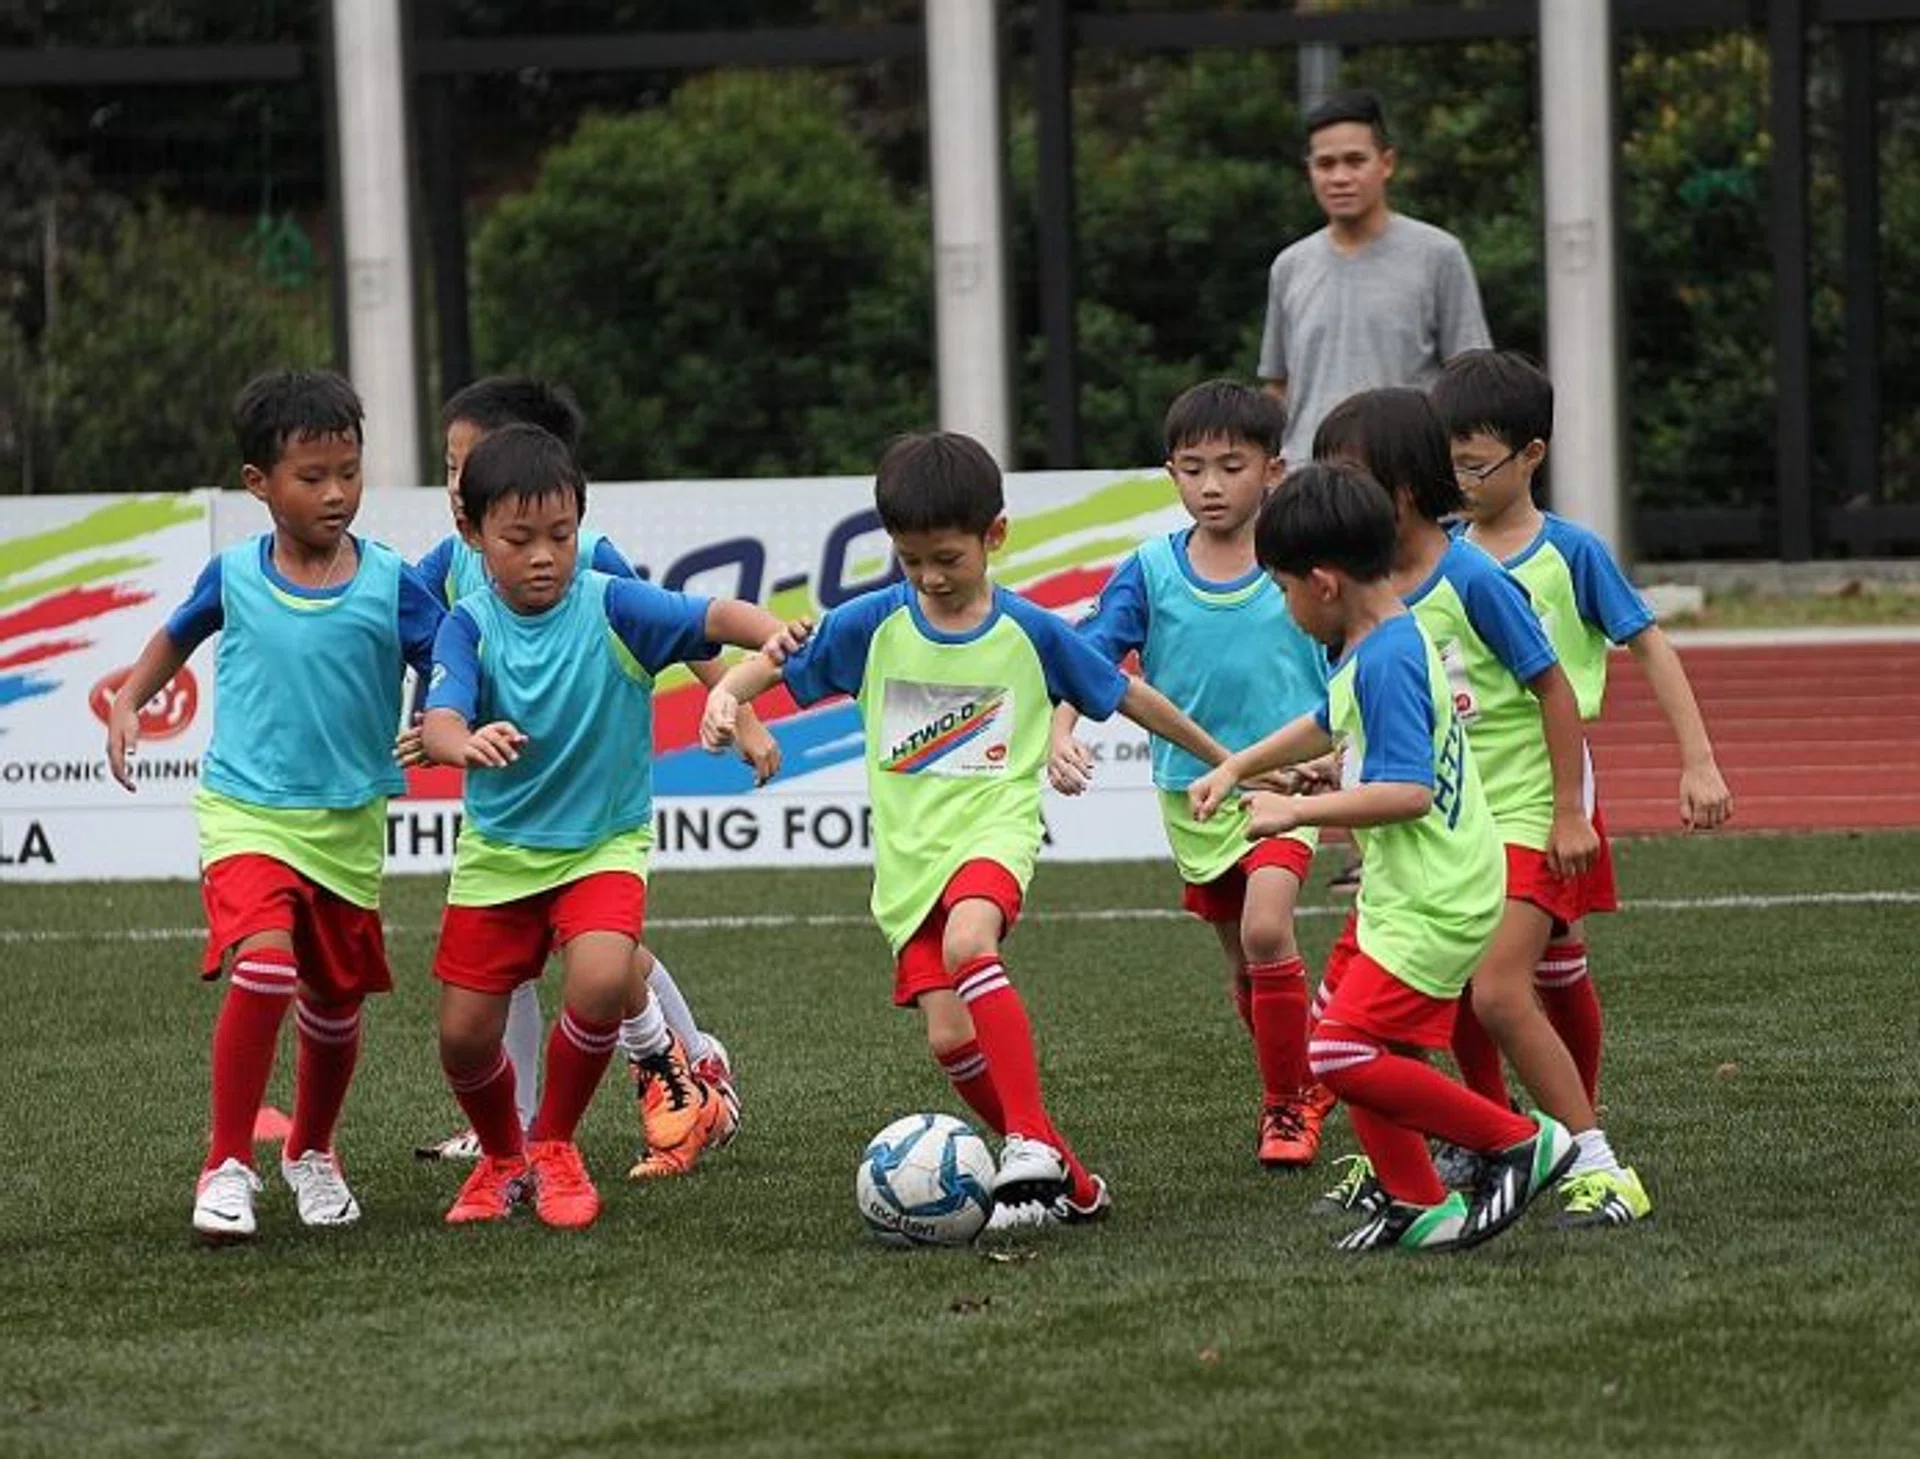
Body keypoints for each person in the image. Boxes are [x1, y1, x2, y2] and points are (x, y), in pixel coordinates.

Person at [700, 432, 1231, 1231]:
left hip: (994, 832)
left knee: (969, 941)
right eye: (911, 559)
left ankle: (1026, 1139)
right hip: (909, 863)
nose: (930, 576)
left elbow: (1127, 695)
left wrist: (1228, 761)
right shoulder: (875, 621)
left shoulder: (1030, 630)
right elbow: (775, 662)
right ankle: (1070, 1178)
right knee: (951, 1037)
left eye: (947, 557)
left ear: (995, 535)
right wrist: (727, 696)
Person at [1188, 463, 1574, 1252]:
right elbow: (1329, 719)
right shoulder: (1377, 637)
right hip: (1409, 887)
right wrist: (1239, 765)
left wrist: (1295, 810)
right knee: (1352, 1038)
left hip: (1437, 894)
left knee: (1338, 1051)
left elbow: (1408, 793)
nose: (1285, 608)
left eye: (1283, 590)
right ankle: (1419, 1203)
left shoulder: (1390, 655)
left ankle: (1519, 1139)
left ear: (1324, 583)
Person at [421, 424, 793, 1229]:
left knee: (597, 979)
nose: (544, 555)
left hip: (602, 845)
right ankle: (503, 1158)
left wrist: (778, 635)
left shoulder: (613, 601)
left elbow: (711, 614)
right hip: (499, 852)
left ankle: (554, 1144)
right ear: (473, 534)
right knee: (463, 1036)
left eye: (560, 535)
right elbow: (441, 715)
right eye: (520, 539)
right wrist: (462, 742)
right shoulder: (468, 623)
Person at [106, 369, 441, 1242]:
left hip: (349, 822)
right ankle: (225, 1164)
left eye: (349, 472)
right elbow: (177, 632)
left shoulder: (393, 581)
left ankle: (313, 1150)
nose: (336, 493)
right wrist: (130, 699)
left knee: (335, 1003)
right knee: (263, 966)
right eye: (312, 476)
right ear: (259, 482)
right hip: (246, 810)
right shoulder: (235, 575)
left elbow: (448, 658)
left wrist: (448, 718)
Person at [1311, 387, 1651, 1230]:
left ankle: (1597, 1163)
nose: (1332, 498)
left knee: (1499, 991)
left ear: (1401, 488)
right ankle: (1477, 1137)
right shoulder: (1361, 593)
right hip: (1453, 825)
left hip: (1525, 807)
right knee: (1446, 985)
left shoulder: (1471, 577)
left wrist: (1568, 810)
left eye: (1347, 479)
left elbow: (1553, 686)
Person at [1432, 349, 1731, 1222]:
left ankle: (1579, 1130)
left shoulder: (1571, 552)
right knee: (1472, 972)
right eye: (1448, 464)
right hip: (1460, 795)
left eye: (1474, 465)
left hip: (1548, 789)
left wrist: (1698, 759)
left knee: (1530, 975)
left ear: (1532, 454)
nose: (1459, 482)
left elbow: (1650, 646)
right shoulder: (1438, 553)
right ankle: (1491, 1127)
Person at [1048, 380, 1335, 1168]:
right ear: (1170, 472)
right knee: (1243, 960)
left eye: (1231, 467)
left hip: (1286, 789)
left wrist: (1340, 747)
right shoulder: (1150, 569)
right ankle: (1306, 1073)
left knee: (1268, 928)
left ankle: (1284, 1106)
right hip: (1195, 795)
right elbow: (1090, 656)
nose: (1211, 485)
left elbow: (1352, 654)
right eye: (1192, 468)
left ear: (1273, 471)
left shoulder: (1303, 560)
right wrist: (1061, 730)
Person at [1258, 90, 1491, 467]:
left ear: (1387, 163)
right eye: (1325, 164)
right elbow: (1277, 386)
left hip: (1405, 475)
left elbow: (1471, 379)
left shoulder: (1438, 254)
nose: (1340, 177)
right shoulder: (1290, 265)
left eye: (1355, 161)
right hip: (1308, 477)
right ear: (1309, 169)